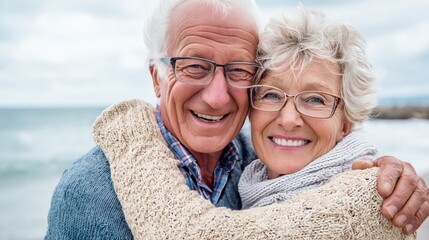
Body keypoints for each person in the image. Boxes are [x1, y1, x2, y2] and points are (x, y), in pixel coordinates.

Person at [45, 0, 429, 239]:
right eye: (194, 66)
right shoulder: (88, 191)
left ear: (347, 122)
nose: (216, 96)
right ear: (156, 78)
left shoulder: (370, 193)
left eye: (238, 70)